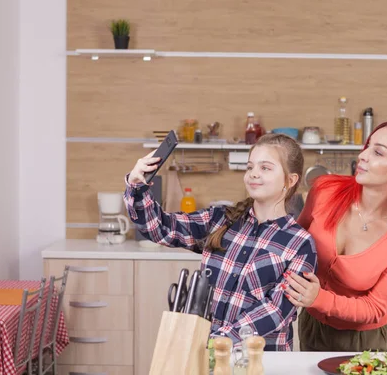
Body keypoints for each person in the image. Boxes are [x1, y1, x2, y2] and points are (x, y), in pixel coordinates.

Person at [124, 133, 317, 351]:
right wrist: (138, 185)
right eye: (250, 167)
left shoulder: (300, 243)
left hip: (260, 361)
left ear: (290, 180)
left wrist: (216, 341)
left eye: (265, 168)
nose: (253, 174)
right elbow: (159, 228)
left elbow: (275, 311)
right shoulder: (220, 220)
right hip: (209, 357)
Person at [283, 120, 387, 352]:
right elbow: (293, 243)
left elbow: (375, 308)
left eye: (378, 152)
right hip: (313, 327)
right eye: (367, 146)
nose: (363, 155)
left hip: (369, 341)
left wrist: (318, 299)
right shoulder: (325, 190)